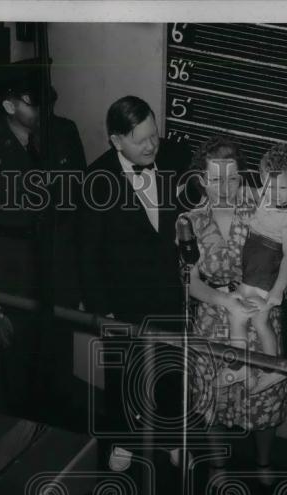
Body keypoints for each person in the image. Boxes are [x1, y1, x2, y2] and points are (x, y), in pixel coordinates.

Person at [0, 57, 86, 422]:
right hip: (10, 279)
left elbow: (81, 210)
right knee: (17, 376)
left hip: (59, 276)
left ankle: (55, 451)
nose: (45, 110)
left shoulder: (65, 134)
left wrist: (84, 279)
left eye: (49, 101)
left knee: (60, 374)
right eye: (34, 102)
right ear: (9, 105)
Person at [77, 96, 190, 473]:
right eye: (141, 140)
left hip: (170, 295)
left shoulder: (174, 158)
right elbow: (87, 254)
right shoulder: (96, 180)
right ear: (116, 140)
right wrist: (100, 309)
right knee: (123, 376)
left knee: (172, 371)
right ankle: (124, 442)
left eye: (154, 135)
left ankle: (173, 440)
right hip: (122, 301)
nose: (151, 146)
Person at [180, 135, 287, 485]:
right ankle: (218, 466)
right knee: (214, 398)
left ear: (241, 177)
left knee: (266, 393)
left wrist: (270, 295)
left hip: (260, 320)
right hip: (213, 320)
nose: (224, 187)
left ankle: (264, 463)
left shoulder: (264, 209)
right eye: (215, 180)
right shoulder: (189, 222)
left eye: (231, 178)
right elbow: (189, 282)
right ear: (201, 180)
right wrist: (225, 301)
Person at [219, 143, 287, 393]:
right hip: (252, 270)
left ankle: (273, 368)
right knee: (239, 314)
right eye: (269, 186)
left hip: (266, 273)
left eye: (283, 188)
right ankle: (243, 365)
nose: (275, 194)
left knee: (257, 319)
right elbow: (243, 190)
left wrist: (277, 291)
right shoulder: (264, 197)